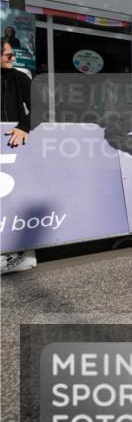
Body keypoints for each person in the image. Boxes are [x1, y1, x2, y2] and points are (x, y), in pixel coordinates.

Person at [1, 41, 36, 275]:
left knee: (14, 200)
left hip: (13, 147)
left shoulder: (18, 77)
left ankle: (23, 255)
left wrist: (24, 126)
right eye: (8, 55)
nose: (13, 59)